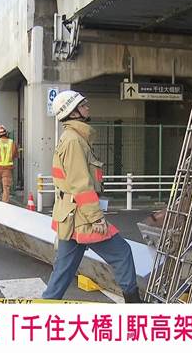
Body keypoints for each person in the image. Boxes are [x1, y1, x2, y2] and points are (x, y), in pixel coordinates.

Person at [42, 90, 141, 303]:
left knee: (62, 274)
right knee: (123, 254)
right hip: (83, 218)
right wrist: (96, 218)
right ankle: (135, 308)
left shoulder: (73, 138)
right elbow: (81, 185)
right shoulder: (74, 141)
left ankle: (42, 314)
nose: (88, 107)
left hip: (70, 218)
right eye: (83, 104)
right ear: (73, 112)